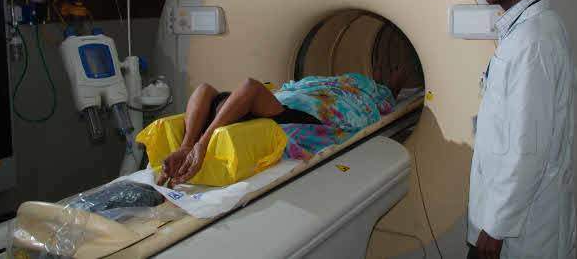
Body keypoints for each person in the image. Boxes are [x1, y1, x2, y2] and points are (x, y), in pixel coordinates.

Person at [467, 0, 576, 259]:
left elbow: (529, 147)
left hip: (518, 227)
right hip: (510, 213)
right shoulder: (525, 32)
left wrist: (496, 226)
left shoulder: (533, 41)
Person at [157, 67, 408, 187]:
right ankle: (390, 79)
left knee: (374, 93)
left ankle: (396, 79)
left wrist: (200, 144)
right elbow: (204, 89)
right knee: (348, 87)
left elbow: (250, 85)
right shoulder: (216, 112)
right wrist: (186, 145)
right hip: (298, 101)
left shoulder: (272, 115)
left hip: (315, 105)